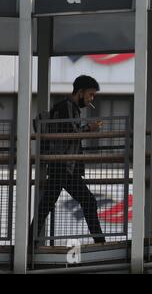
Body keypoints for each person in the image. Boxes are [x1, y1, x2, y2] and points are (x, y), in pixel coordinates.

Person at [30, 75, 106, 244]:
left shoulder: (67, 107)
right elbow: (70, 133)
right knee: (88, 201)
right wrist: (90, 128)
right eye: (90, 94)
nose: (91, 99)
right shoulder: (67, 107)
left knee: (46, 205)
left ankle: (29, 242)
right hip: (64, 165)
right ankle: (100, 243)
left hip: (62, 165)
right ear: (80, 92)